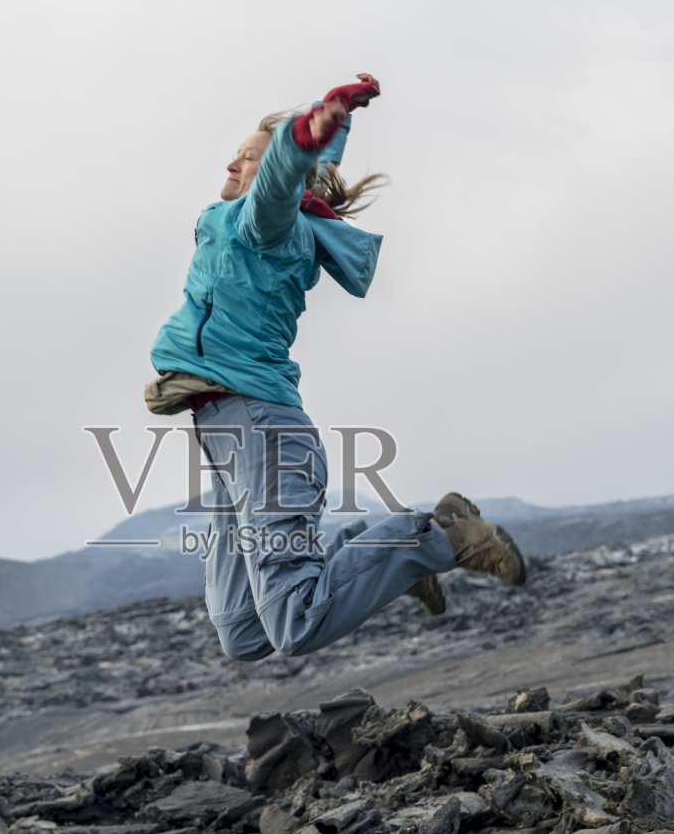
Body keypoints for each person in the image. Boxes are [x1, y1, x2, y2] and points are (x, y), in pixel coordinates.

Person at [146, 75, 526, 662]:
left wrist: (301, 140)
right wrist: (333, 121)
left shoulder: (261, 227)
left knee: (295, 624)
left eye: (248, 157)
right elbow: (297, 174)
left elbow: (279, 186)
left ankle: (431, 538)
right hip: (226, 433)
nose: (232, 162)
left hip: (260, 430)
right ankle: (383, 555)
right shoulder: (263, 222)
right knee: (243, 634)